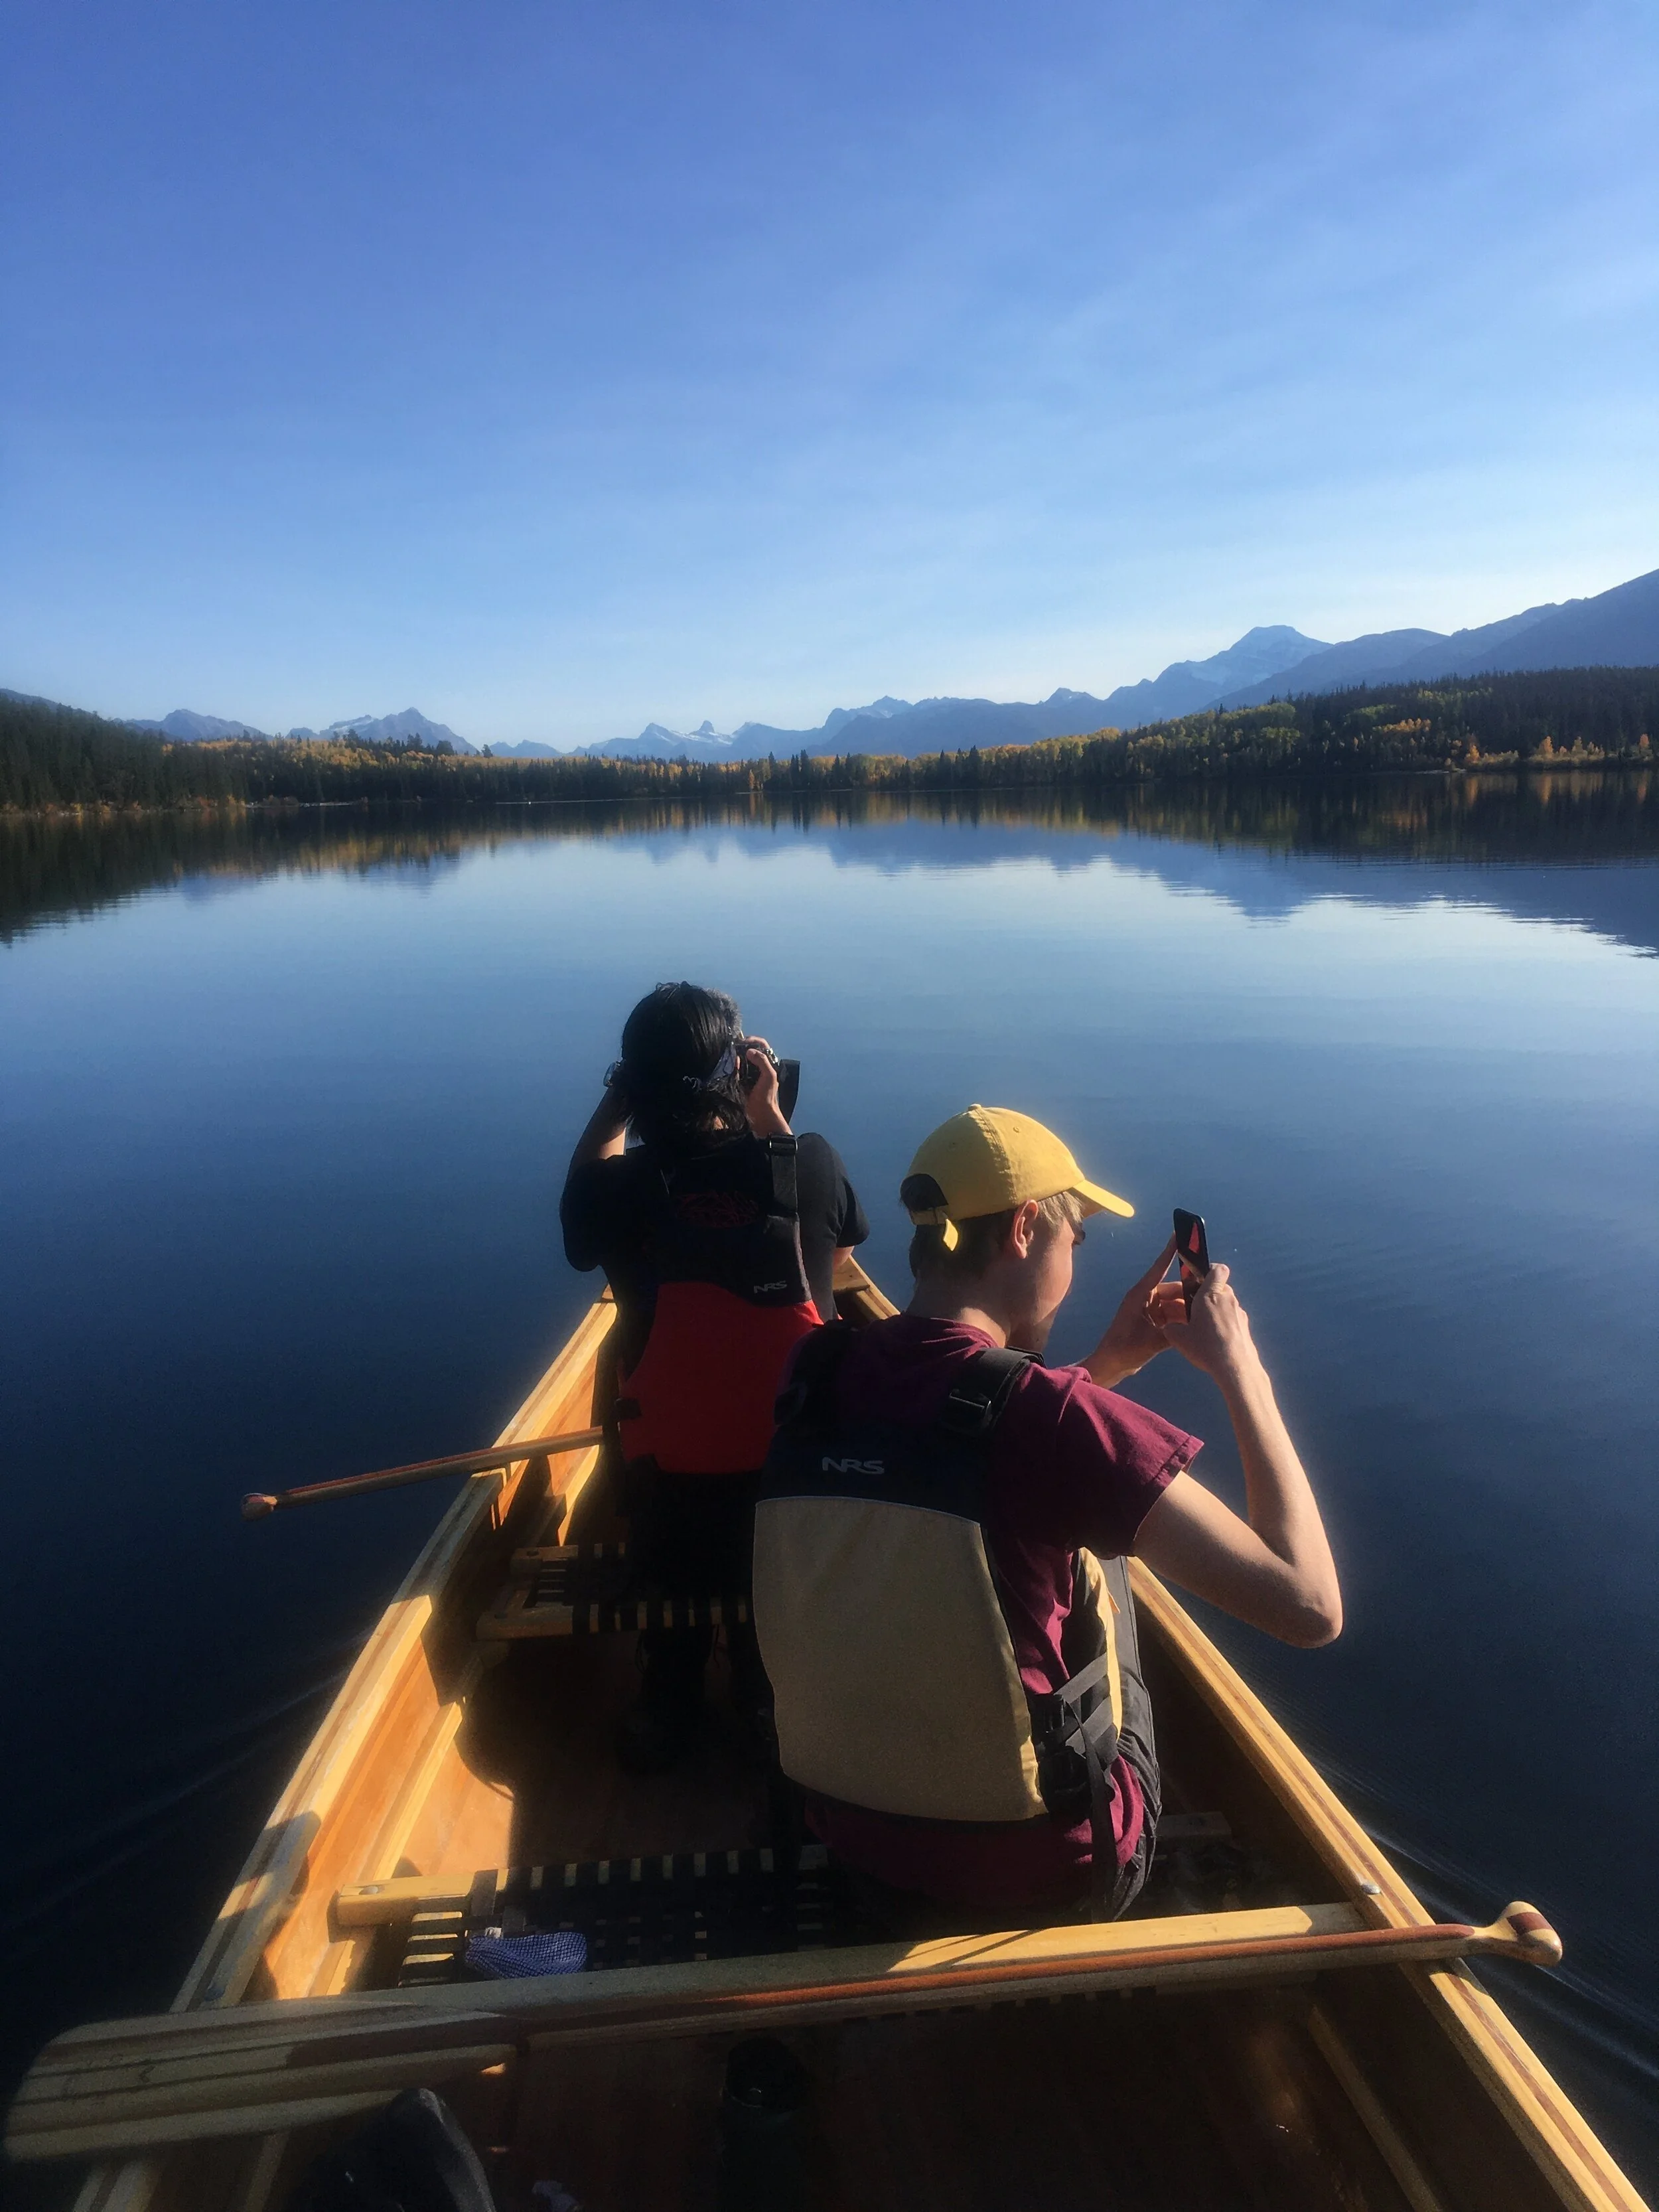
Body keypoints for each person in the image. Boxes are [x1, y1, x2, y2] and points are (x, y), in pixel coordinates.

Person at [751, 1104, 1340, 1925]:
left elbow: (953, 1445)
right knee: (1107, 1557)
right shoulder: (1060, 1423)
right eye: (1076, 1239)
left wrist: (1106, 1365)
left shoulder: (814, 1370)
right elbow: (1308, 1608)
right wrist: (1243, 1369)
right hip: (1046, 1867)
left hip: (855, 1835)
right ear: (1025, 1228)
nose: (1075, 1264)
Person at [562, 982, 869, 1772]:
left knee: (629, 1379)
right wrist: (769, 1122)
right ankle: (767, 1698)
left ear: (632, 1085)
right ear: (739, 1068)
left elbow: (583, 1210)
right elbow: (832, 1260)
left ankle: (668, 1699)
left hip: (666, 1488)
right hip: (796, 1481)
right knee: (770, 1566)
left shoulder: (613, 1190)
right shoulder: (810, 1162)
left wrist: (615, 1106)